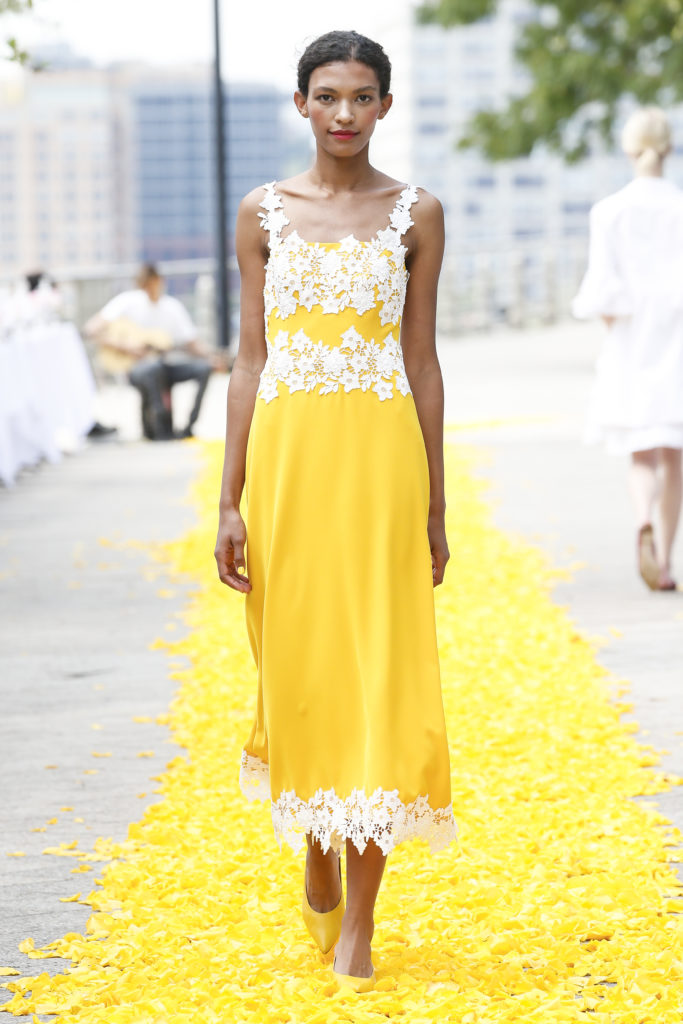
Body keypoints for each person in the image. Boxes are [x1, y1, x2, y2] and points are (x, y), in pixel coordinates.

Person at [214, 30, 456, 991]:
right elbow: (246, 359)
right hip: (288, 469)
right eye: (328, 96)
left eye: (362, 97)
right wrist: (228, 500)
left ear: (385, 106)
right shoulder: (263, 214)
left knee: (382, 676)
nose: (345, 113)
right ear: (302, 105)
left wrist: (435, 502)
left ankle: (360, 925)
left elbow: (424, 362)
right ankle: (313, 828)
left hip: (381, 468)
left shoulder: (417, 214)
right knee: (301, 667)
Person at [573, 107, 683, 592]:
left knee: (641, 453)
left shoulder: (609, 211)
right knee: (674, 455)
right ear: (670, 147)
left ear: (627, 147)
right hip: (677, 338)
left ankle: (642, 517)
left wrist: (620, 329)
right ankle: (664, 560)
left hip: (632, 340)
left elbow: (603, 292)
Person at [86, 264, 219, 440]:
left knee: (203, 368)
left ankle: (188, 427)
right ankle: (160, 428)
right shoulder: (126, 302)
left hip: (164, 365)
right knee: (153, 367)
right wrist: (126, 347)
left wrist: (212, 357)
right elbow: (91, 330)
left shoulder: (172, 306)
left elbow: (192, 343)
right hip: (135, 368)